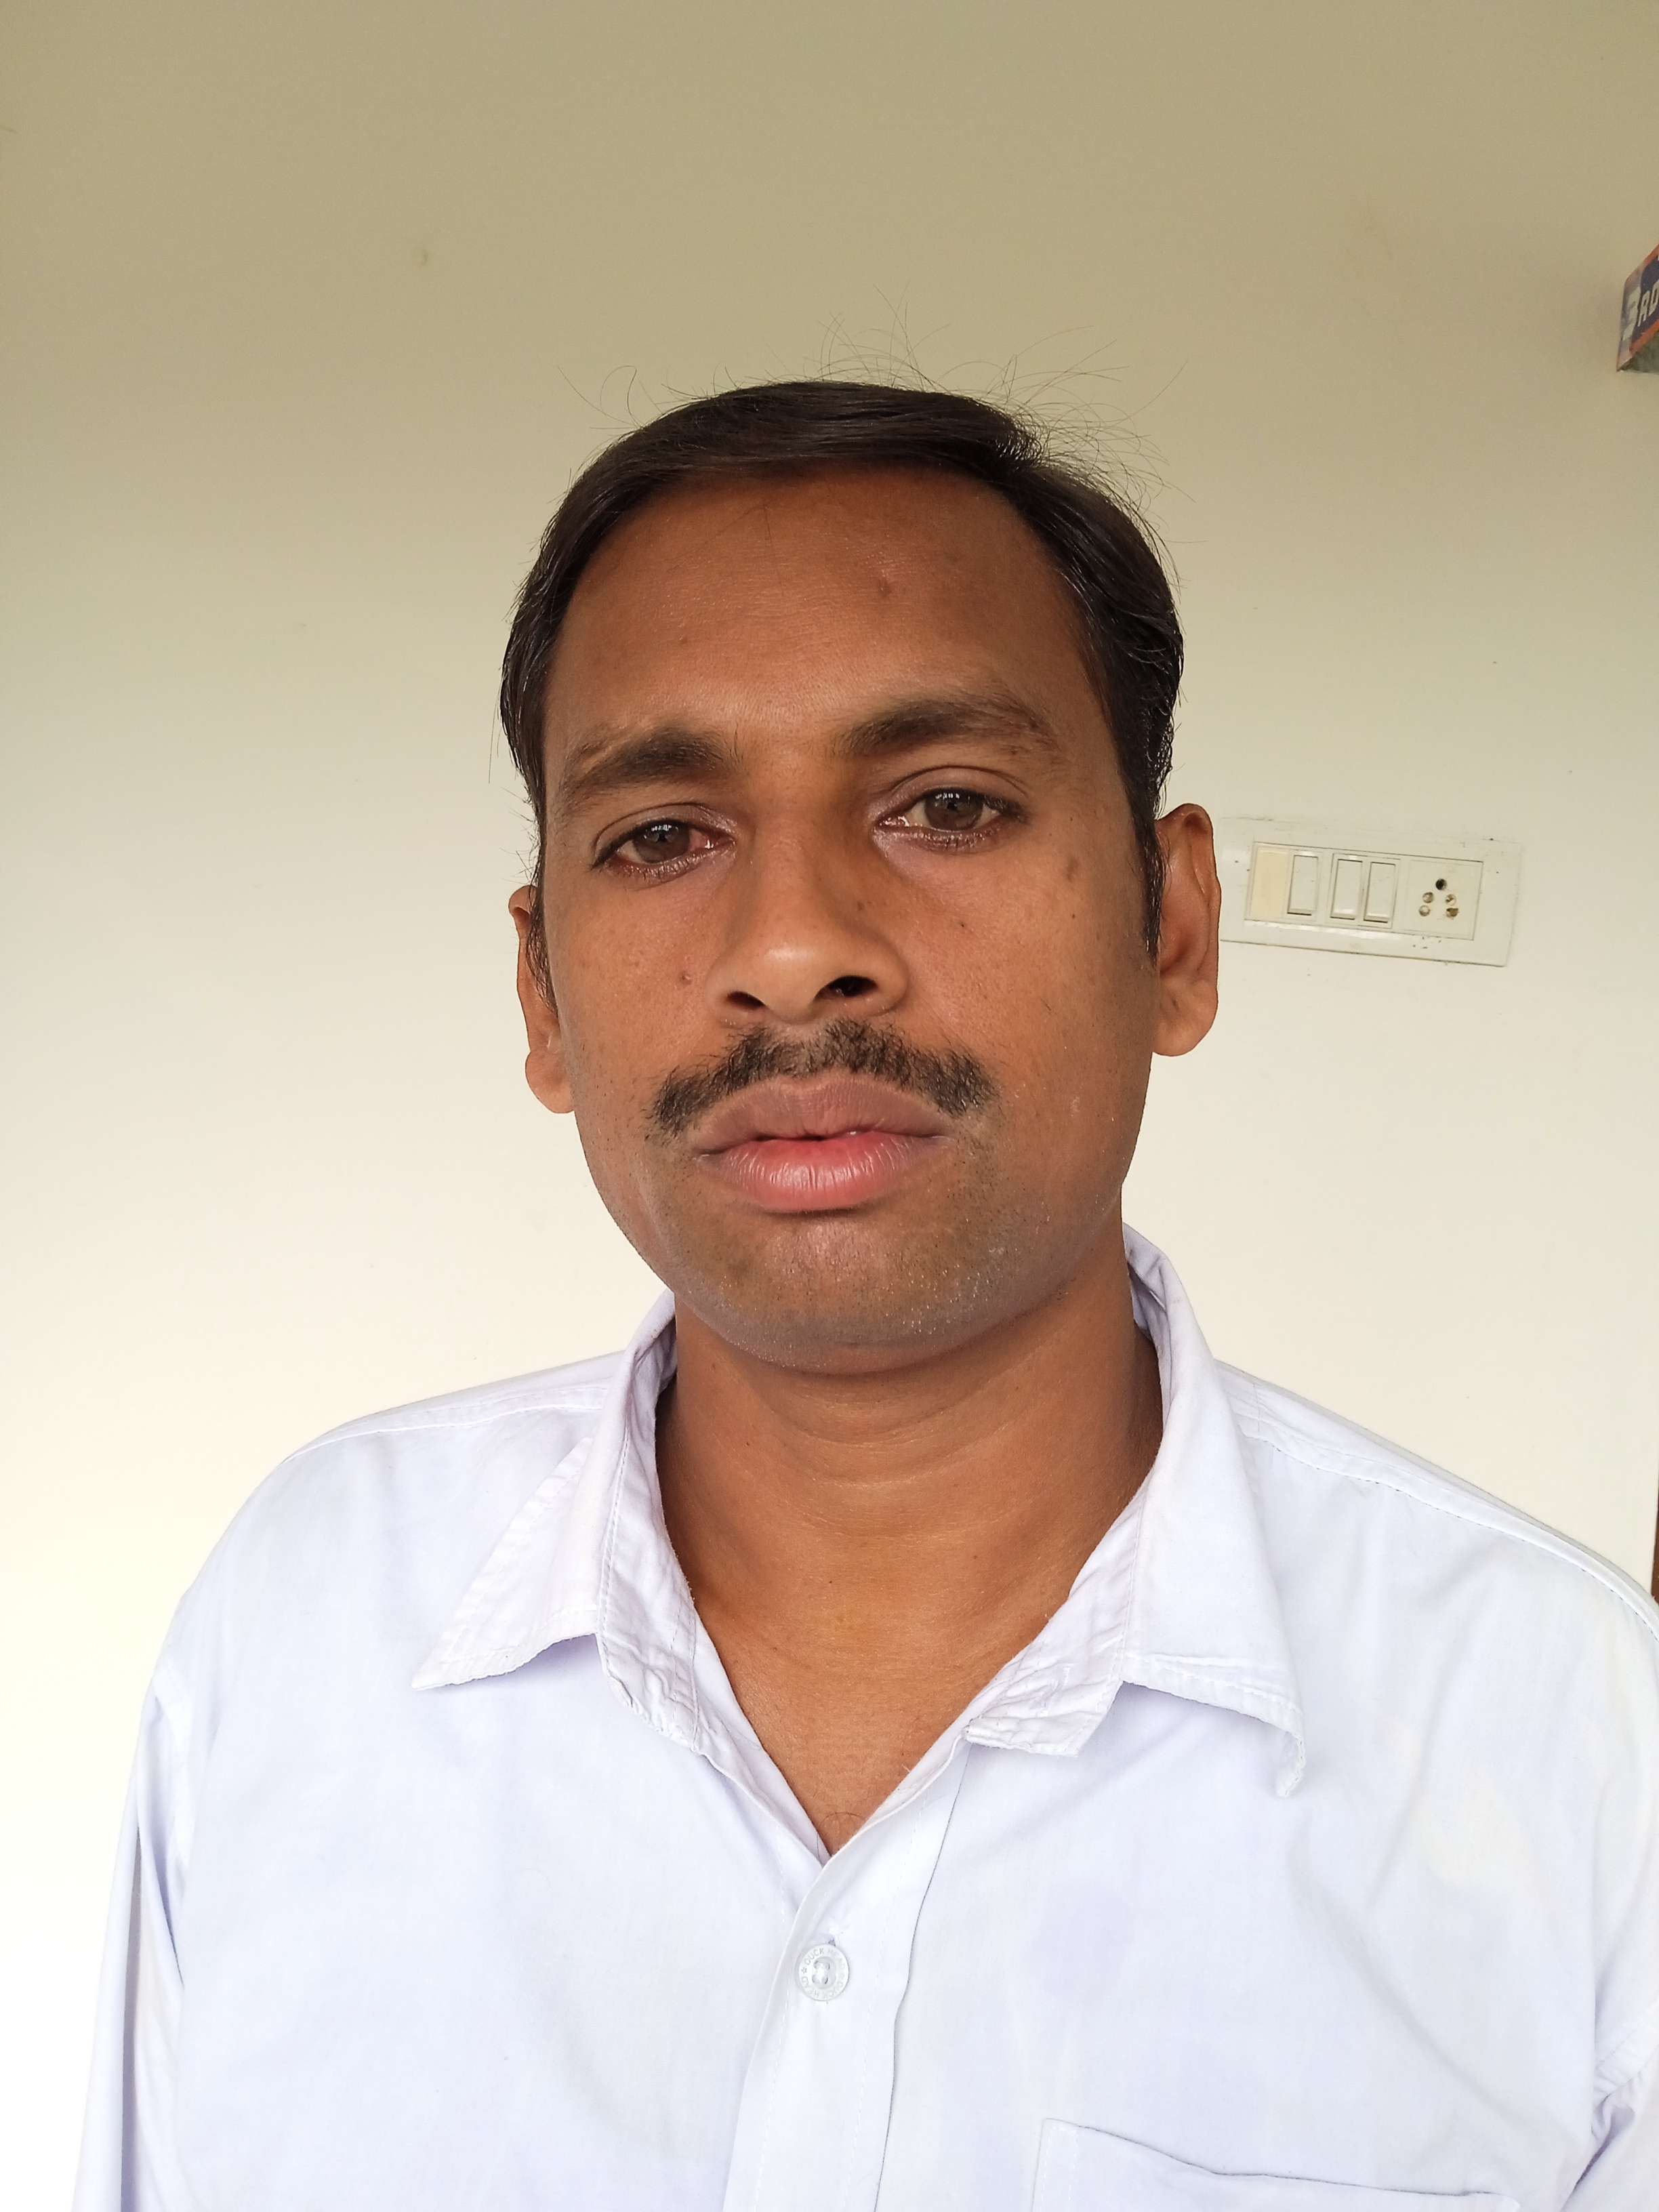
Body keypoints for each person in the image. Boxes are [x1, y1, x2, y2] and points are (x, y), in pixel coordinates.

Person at [75, 382, 1658, 2210]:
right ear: (542, 997)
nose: (792, 948)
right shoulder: (308, 1622)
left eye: (946, 805)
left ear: (1173, 930)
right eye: (662, 835)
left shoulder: (1576, 1751)